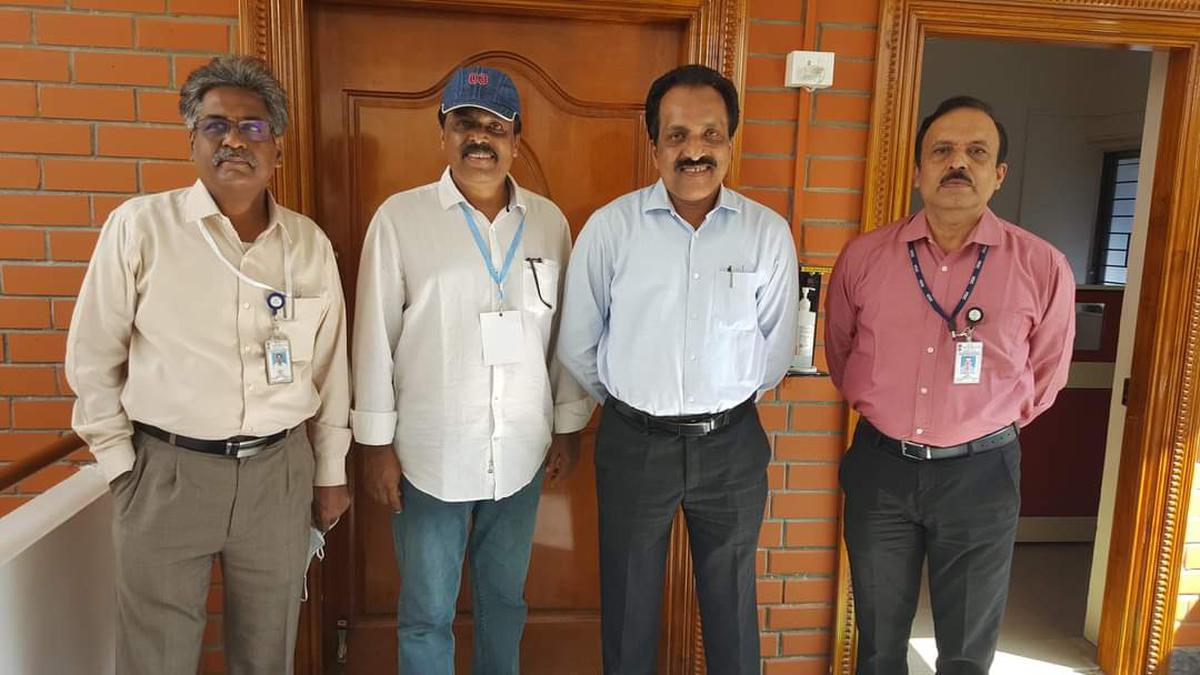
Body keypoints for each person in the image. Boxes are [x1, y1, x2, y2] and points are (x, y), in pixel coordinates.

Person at [66, 55, 351, 675]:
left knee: (266, 651)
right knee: (156, 657)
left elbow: (331, 371)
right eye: (215, 125)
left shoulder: (307, 243)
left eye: (252, 128)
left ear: (276, 143)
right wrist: (122, 467)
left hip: (278, 476)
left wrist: (329, 471)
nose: (233, 140)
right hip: (166, 473)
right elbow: (92, 359)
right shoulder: (141, 228)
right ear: (192, 138)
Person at [557, 64, 799, 675]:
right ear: (655, 145)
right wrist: (634, 404)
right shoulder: (611, 229)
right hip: (635, 442)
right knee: (630, 608)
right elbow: (579, 343)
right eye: (677, 136)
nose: (694, 151)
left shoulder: (767, 235)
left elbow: (775, 350)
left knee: (731, 606)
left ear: (731, 141)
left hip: (732, 443)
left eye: (711, 135)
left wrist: (722, 400)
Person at [350, 65, 593, 675]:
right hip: (428, 456)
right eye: (465, 123)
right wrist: (376, 445)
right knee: (427, 611)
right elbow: (373, 337)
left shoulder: (549, 223)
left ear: (516, 139)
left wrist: (568, 425)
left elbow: (565, 334)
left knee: (504, 603)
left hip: (520, 452)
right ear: (443, 133)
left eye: (495, 126)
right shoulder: (400, 220)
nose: (480, 138)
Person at [825, 95, 1076, 675]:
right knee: (879, 643)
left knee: (966, 650)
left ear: (998, 173)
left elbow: (1045, 375)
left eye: (975, 152)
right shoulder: (864, 257)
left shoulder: (1041, 266)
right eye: (941, 150)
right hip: (881, 468)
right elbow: (842, 353)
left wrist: (974, 427)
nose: (957, 163)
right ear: (918, 170)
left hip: (981, 475)